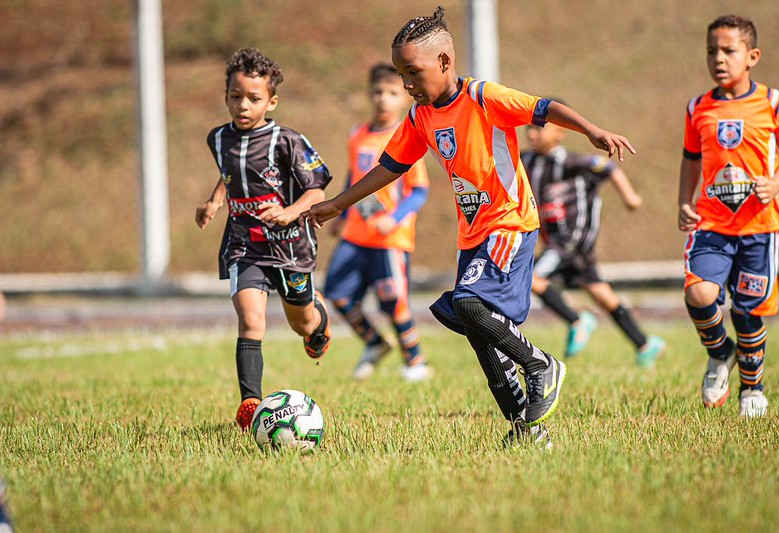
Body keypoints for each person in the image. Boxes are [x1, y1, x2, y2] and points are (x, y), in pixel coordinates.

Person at [303, 6, 635, 446]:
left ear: (444, 62)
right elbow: (390, 166)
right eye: (402, 74)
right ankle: (527, 429)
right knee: (479, 331)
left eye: (413, 73)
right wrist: (338, 205)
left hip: (509, 223)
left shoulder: (483, 97)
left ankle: (540, 365)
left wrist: (592, 130)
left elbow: (543, 108)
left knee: (470, 306)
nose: (406, 84)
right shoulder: (421, 117)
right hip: (473, 235)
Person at [195, 48, 333, 430]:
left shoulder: (287, 140)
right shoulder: (218, 138)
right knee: (250, 320)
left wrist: (290, 212)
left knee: (301, 325)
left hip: (290, 245)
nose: (243, 105)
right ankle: (250, 404)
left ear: (271, 101)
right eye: (235, 96)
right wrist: (214, 201)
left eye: (253, 99)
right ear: (225, 96)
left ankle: (319, 321)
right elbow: (231, 173)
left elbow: (317, 190)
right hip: (244, 244)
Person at [678, 15, 779, 417]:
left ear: (752, 56)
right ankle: (719, 352)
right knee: (699, 292)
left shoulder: (774, 102)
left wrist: (777, 183)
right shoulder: (699, 107)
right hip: (712, 221)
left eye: (729, 50)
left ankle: (753, 389)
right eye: (712, 50)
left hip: (760, 226)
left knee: (748, 313)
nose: (719, 58)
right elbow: (691, 158)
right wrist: (685, 200)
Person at [522, 119, 666, 366]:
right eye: (529, 129)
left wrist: (630, 197)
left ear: (560, 132)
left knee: (529, 277)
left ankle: (577, 319)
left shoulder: (572, 162)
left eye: (539, 128)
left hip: (572, 240)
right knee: (603, 295)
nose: (532, 133)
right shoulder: (527, 161)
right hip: (558, 242)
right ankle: (644, 343)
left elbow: (609, 169)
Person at [325, 63, 432, 382]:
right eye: (378, 92)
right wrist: (341, 213)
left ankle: (415, 361)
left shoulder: (407, 136)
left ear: (404, 97)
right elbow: (353, 178)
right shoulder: (357, 135)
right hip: (356, 235)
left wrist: (394, 219)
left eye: (392, 93)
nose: (384, 99)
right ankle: (374, 343)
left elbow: (419, 191)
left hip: (389, 240)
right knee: (336, 292)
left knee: (393, 302)